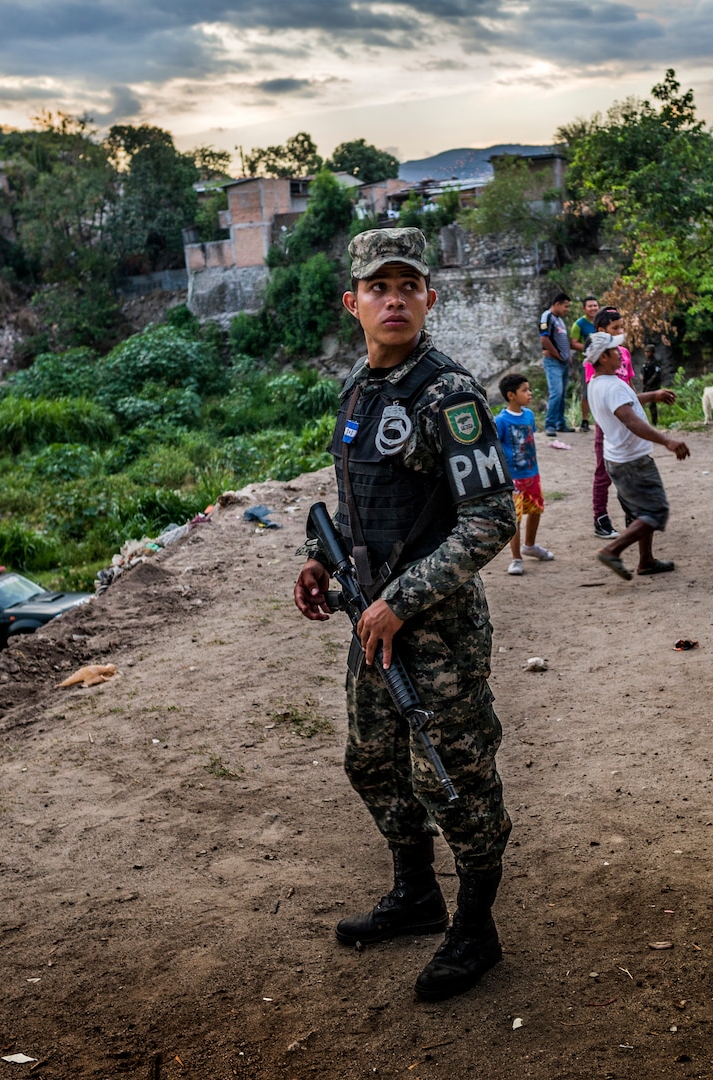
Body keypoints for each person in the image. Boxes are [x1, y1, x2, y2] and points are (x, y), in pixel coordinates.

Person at [292, 227, 516, 1002]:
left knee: (453, 779)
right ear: (352, 302)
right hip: (372, 619)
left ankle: (475, 927)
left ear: (430, 297)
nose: (394, 299)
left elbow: (491, 519)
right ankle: (418, 896)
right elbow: (359, 505)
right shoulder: (359, 389)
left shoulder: (447, 393)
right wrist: (321, 560)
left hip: (436, 630)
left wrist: (402, 601)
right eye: (378, 287)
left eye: (407, 285)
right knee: (374, 764)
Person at [586, 327, 685, 578]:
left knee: (642, 511)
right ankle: (612, 550)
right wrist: (668, 441)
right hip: (633, 461)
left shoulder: (597, 383)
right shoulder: (612, 386)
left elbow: (624, 401)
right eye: (613, 350)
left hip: (617, 458)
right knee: (655, 511)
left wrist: (652, 395)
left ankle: (647, 561)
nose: (620, 353)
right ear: (604, 358)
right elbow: (632, 421)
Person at [495, 372, 554, 575]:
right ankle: (516, 558)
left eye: (529, 389)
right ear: (511, 395)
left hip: (532, 474)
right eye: (525, 390)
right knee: (516, 518)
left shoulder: (528, 415)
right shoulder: (500, 421)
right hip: (514, 480)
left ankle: (529, 546)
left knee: (536, 510)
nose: (530, 393)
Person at [585, 307, 635, 539]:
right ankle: (600, 517)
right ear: (601, 331)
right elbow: (596, 391)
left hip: (628, 421)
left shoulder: (624, 353)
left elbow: (631, 387)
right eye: (615, 328)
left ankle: (632, 513)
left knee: (632, 467)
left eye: (621, 327)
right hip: (607, 424)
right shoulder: (593, 360)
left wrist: (638, 411)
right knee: (603, 472)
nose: (620, 331)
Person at [538, 293, 575, 436]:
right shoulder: (547, 316)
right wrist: (558, 355)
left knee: (562, 394)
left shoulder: (559, 320)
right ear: (557, 304)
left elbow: (562, 340)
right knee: (556, 393)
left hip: (563, 362)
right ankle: (550, 424)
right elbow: (544, 339)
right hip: (554, 362)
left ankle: (560, 423)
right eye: (566, 306)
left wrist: (567, 357)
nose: (567, 309)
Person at [567, 296, 599, 432]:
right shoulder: (579, 324)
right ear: (584, 308)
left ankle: (601, 420)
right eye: (590, 306)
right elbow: (573, 343)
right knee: (586, 392)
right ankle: (585, 420)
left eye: (595, 305)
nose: (593, 308)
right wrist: (589, 348)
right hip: (587, 363)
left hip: (603, 361)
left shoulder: (601, 321)